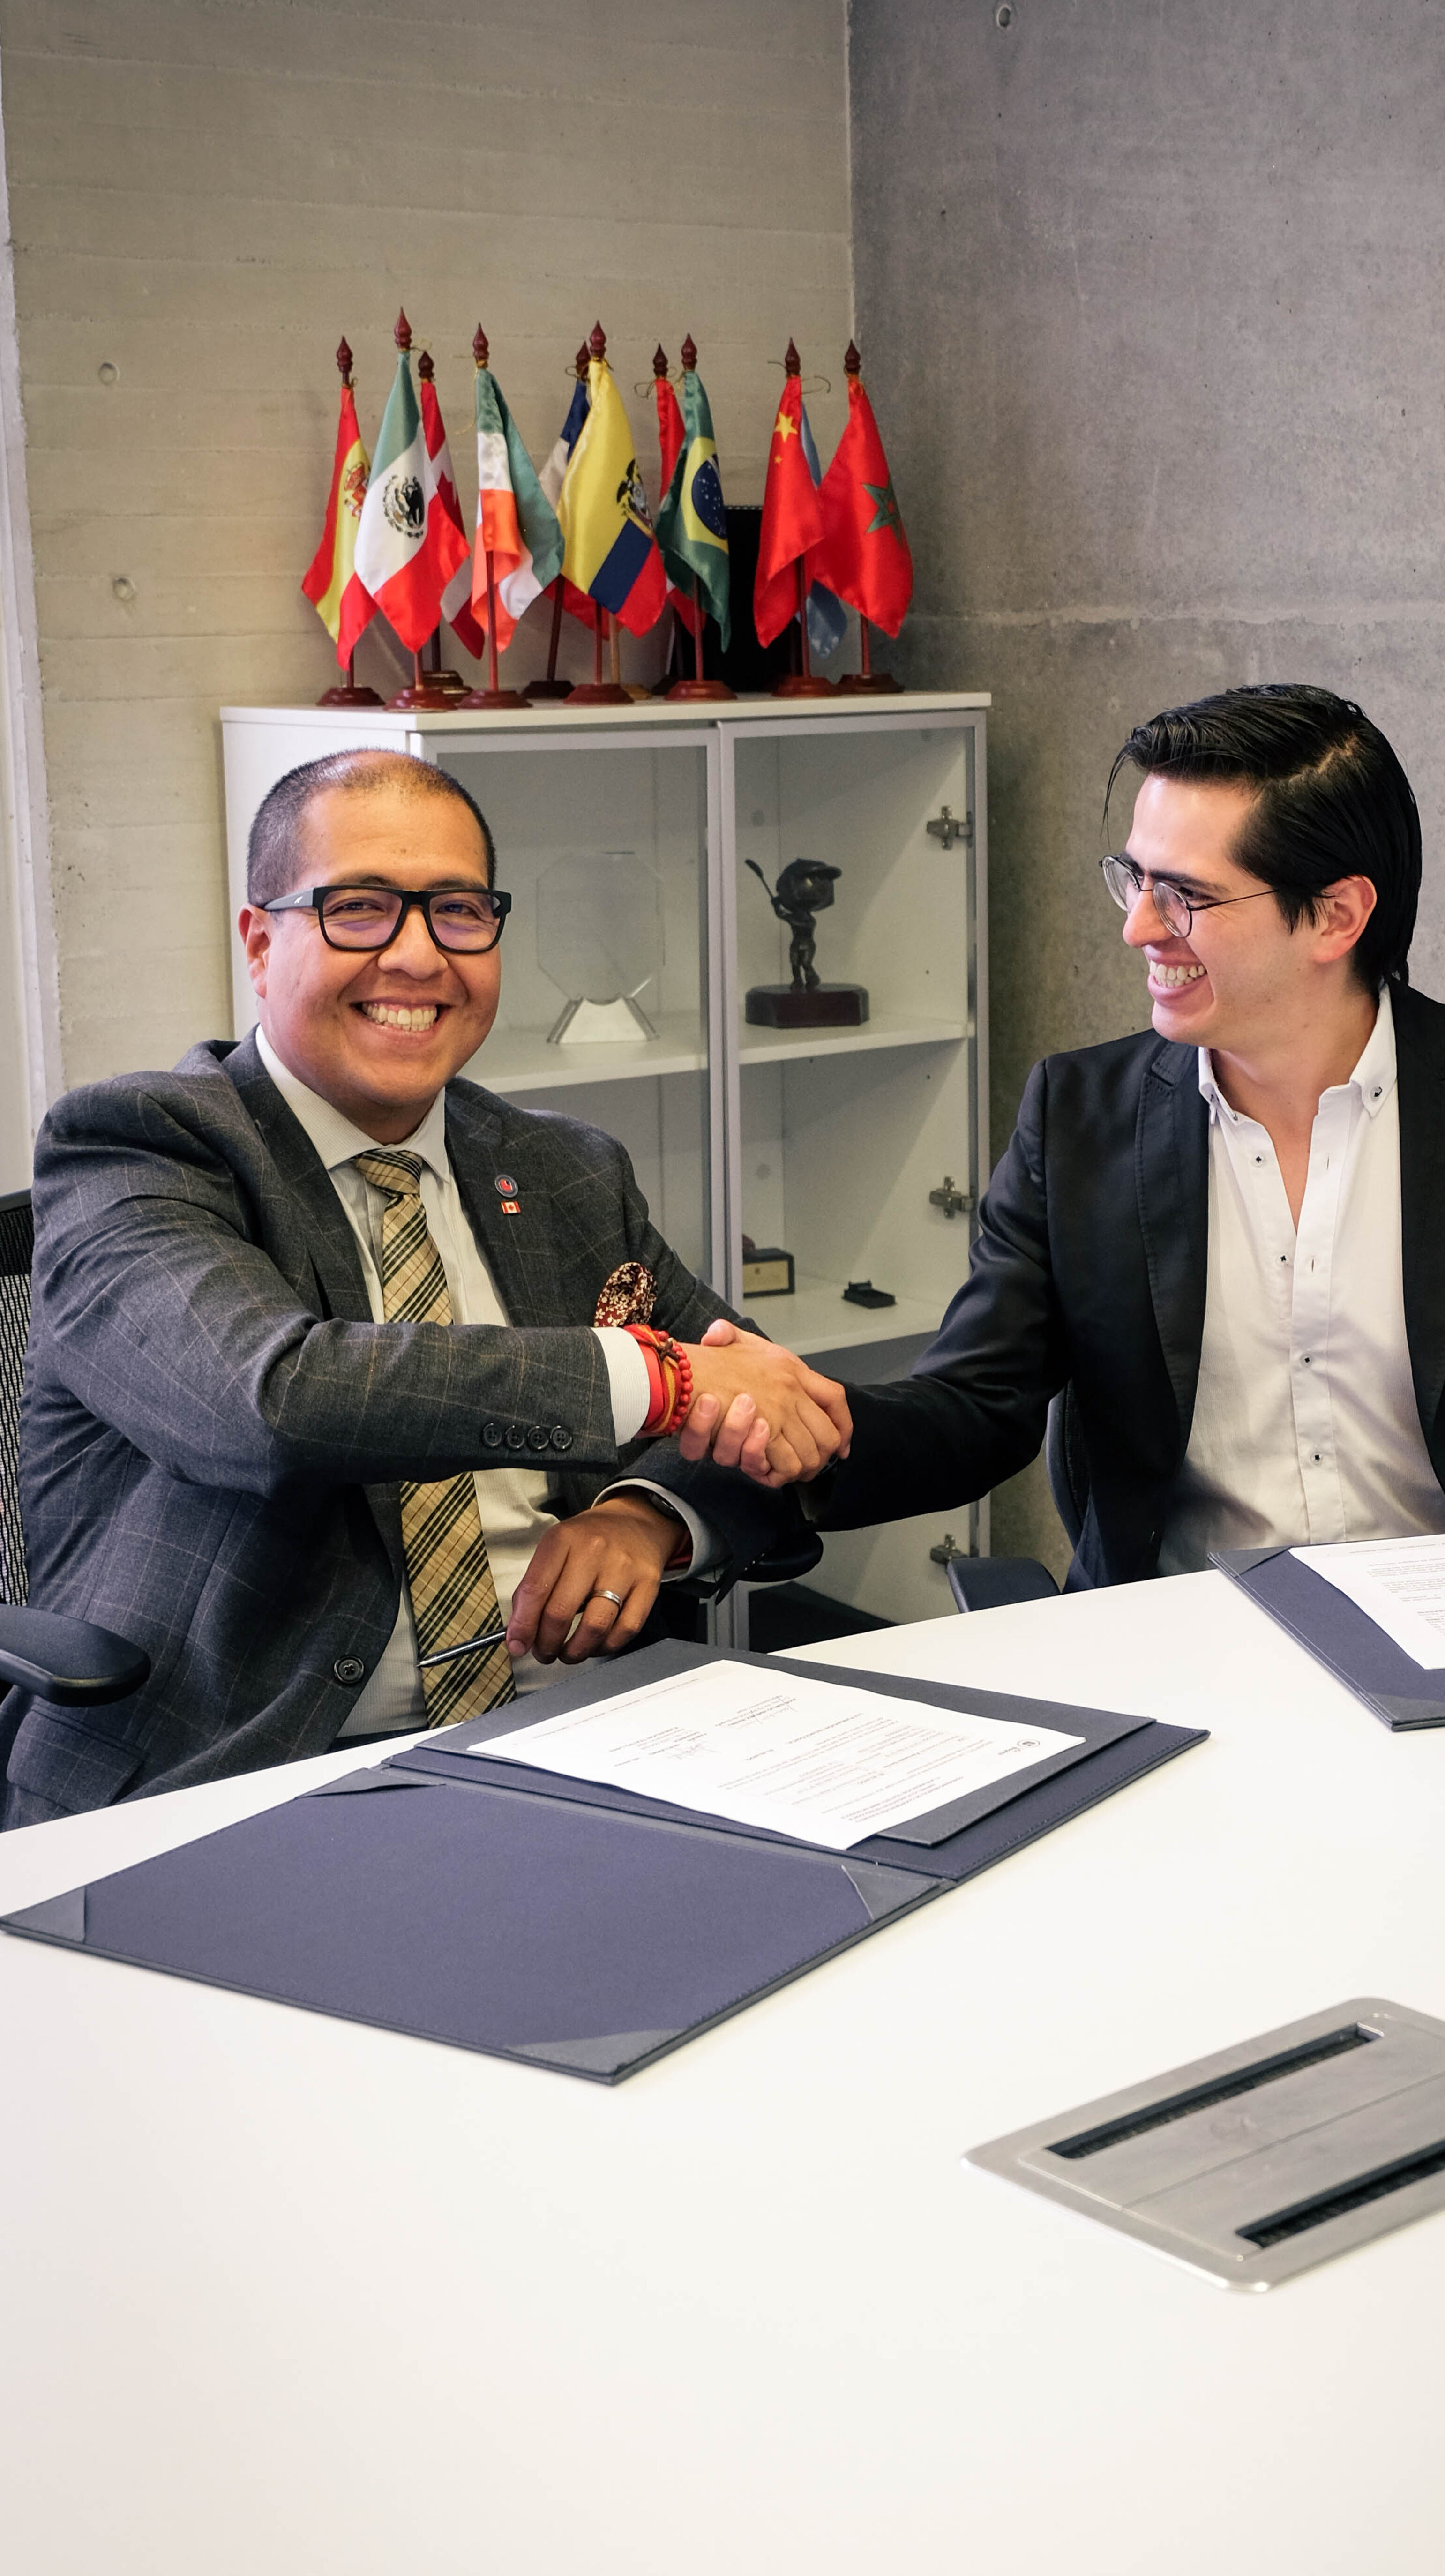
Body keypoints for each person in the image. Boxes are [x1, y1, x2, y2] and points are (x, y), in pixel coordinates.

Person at [1, 748, 848, 1826]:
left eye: (457, 911)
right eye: (358, 909)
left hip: (581, 1749)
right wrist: (658, 1377)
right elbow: (274, 1402)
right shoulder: (140, 1149)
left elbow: (766, 1406)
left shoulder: (565, 1168)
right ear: (261, 943)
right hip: (238, 1773)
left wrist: (649, 1517)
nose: (416, 956)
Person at [805, 685, 1445, 1583]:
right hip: (1186, 1646)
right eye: (1134, 878)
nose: (1137, 927)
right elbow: (975, 1406)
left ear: (1336, 915)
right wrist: (808, 1427)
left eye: (1185, 897)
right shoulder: (1077, 1117)